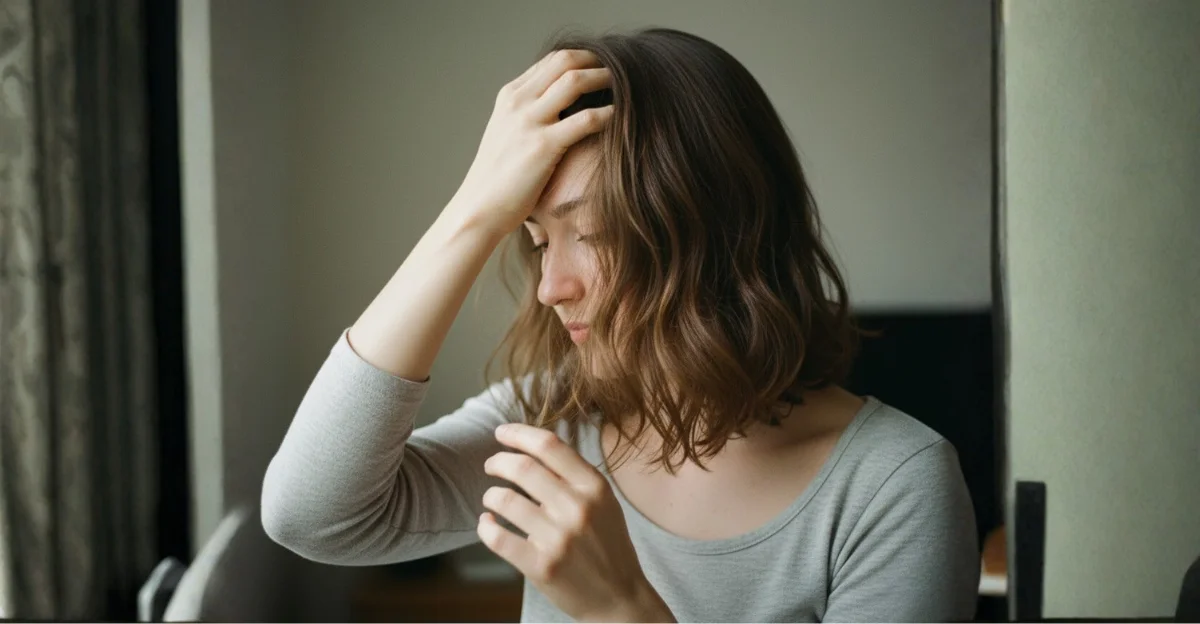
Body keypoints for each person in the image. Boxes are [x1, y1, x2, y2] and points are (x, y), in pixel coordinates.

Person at [262, 27, 980, 623]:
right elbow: (311, 515)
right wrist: (475, 207)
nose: (550, 287)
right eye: (538, 239)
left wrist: (620, 609)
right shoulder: (550, 422)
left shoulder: (894, 487)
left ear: (718, 226)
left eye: (595, 233)